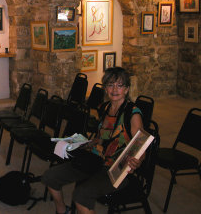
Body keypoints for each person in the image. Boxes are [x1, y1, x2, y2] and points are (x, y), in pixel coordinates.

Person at [42, 67, 144, 214]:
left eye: (119, 85)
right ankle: (62, 210)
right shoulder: (105, 108)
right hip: (95, 159)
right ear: (105, 88)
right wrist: (85, 143)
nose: (114, 89)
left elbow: (141, 144)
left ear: (126, 89)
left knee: (81, 195)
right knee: (50, 177)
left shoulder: (132, 113)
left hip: (115, 169)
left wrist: (137, 160)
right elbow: (102, 137)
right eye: (110, 84)